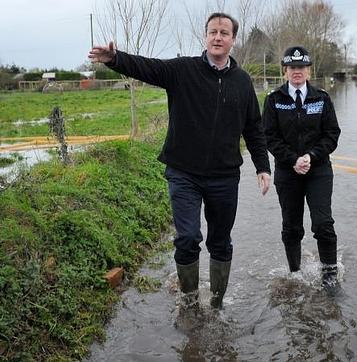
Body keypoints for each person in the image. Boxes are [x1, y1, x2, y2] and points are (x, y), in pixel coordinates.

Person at [88, 12, 271, 310]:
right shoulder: (183, 70)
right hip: (184, 172)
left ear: (233, 40)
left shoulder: (242, 82)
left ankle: (216, 304)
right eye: (213, 31)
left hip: (224, 176)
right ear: (206, 36)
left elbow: (254, 128)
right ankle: (188, 301)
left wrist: (263, 167)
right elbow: (148, 68)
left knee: (221, 242)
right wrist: (114, 59)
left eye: (224, 33)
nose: (218, 37)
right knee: (187, 237)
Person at [262, 46, 341, 291]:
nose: (297, 72)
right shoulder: (274, 100)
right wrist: (292, 160)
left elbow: (332, 134)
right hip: (287, 172)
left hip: (318, 171)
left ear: (308, 70)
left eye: (301, 67)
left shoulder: (322, 98)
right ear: (285, 70)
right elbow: (269, 137)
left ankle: (329, 276)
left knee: (323, 223)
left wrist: (311, 155)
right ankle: (295, 273)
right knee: (292, 226)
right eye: (292, 67)